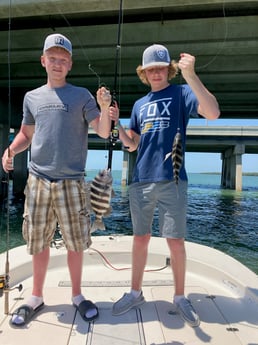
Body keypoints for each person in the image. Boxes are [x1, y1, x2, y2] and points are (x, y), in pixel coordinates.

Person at [1, 33, 118, 326]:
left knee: (75, 243)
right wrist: (11, 150)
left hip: (72, 183)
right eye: (52, 58)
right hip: (37, 180)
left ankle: (77, 296)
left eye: (63, 59)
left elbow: (103, 131)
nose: (57, 63)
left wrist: (104, 109)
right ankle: (36, 297)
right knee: (38, 242)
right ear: (43, 61)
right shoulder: (32, 98)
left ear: (70, 64)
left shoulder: (81, 96)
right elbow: (27, 135)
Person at [112, 44, 220, 327]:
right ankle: (135, 292)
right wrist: (118, 126)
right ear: (144, 73)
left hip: (173, 180)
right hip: (141, 180)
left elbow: (212, 113)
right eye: (151, 69)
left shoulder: (182, 93)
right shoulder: (139, 105)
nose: (156, 73)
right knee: (140, 239)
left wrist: (191, 75)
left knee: (176, 242)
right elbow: (132, 145)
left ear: (169, 69)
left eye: (161, 68)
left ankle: (180, 296)